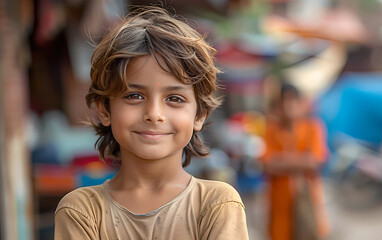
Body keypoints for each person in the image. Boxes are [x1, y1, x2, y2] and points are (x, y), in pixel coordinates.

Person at [54, 7, 248, 239]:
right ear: (104, 109)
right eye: (134, 96)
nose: (154, 114)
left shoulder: (215, 204)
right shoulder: (83, 211)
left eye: (174, 99)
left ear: (199, 115)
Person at [261, 83, 329, 240]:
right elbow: (267, 165)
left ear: (302, 103)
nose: (288, 106)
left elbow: (315, 162)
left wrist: (281, 160)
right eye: (284, 101)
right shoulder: (271, 129)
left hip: (309, 203)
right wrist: (301, 160)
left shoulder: (313, 127)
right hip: (280, 207)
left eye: (292, 100)